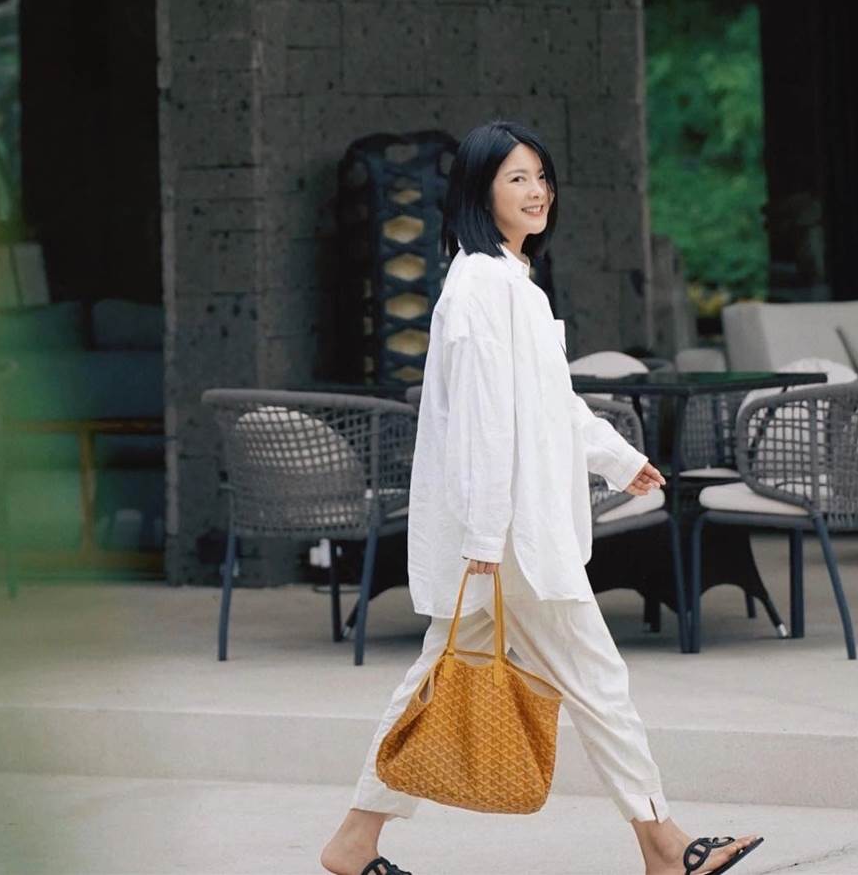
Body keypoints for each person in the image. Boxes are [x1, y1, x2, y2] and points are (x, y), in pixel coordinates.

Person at [321, 120, 764, 875]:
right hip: (511, 539)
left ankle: (355, 840)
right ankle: (664, 846)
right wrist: (485, 541)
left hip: (504, 536)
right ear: (480, 191)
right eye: (516, 178)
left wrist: (618, 460)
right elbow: (487, 424)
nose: (537, 192)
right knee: (595, 680)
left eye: (541, 176)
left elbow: (548, 405)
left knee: (437, 677)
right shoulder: (485, 287)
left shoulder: (506, 282)